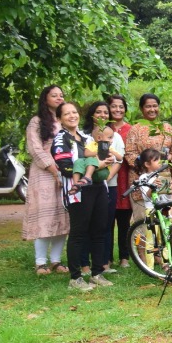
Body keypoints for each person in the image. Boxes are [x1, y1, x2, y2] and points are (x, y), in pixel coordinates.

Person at [52, 102, 117, 291]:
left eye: (74, 112)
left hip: (99, 188)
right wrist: (98, 165)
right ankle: (75, 277)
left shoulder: (87, 137)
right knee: (78, 233)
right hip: (78, 190)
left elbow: (105, 156)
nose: (72, 116)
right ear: (59, 118)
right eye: (67, 113)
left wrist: (107, 160)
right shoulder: (60, 139)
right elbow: (65, 167)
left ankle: (97, 273)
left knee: (99, 230)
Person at [23, 85, 70, 275]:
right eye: (54, 95)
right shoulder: (36, 121)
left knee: (63, 217)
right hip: (44, 174)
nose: (59, 98)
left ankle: (56, 261)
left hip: (65, 172)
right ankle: (40, 262)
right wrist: (52, 169)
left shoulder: (64, 120)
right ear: (45, 99)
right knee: (45, 217)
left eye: (61, 95)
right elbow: (35, 149)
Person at [81, 101, 125, 272]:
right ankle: (84, 263)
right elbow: (82, 156)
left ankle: (104, 262)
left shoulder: (115, 136)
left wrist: (108, 176)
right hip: (87, 185)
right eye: (98, 112)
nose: (102, 115)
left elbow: (119, 160)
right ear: (92, 114)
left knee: (105, 223)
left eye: (105, 112)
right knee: (86, 224)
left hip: (108, 185)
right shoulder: (83, 135)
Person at [123, 93, 172, 223]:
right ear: (142, 109)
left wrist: (168, 158)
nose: (152, 109)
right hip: (142, 180)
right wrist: (148, 167)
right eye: (148, 106)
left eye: (155, 106)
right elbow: (130, 154)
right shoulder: (135, 129)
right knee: (144, 222)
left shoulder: (167, 128)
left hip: (163, 180)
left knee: (164, 222)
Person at [104, 95, 133, 268]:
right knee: (106, 221)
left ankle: (124, 256)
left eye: (121, 106)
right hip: (107, 178)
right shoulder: (103, 130)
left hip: (125, 177)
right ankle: (107, 257)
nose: (117, 110)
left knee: (124, 221)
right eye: (114, 106)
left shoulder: (131, 129)